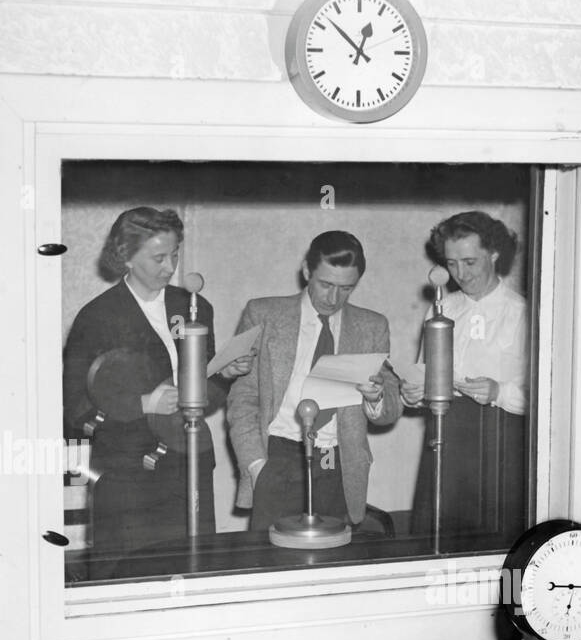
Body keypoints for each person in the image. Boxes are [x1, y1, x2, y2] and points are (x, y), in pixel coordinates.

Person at [62, 206, 251, 559]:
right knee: (130, 573)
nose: (170, 267)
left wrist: (224, 374)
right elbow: (73, 408)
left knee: (194, 564)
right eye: (158, 257)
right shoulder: (96, 318)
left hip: (190, 461)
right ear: (126, 257)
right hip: (127, 475)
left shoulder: (195, 307)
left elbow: (204, 393)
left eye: (175, 254)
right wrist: (143, 404)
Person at [227, 230, 401, 532]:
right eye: (326, 284)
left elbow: (389, 411)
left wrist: (375, 398)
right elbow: (243, 398)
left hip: (337, 465)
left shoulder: (372, 326)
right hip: (278, 456)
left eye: (347, 288)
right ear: (307, 271)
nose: (334, 298)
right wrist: (257, 466)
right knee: (270, 566)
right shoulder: (263, 314)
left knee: (332, 568)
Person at [400, 211, 528, 544]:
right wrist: (413, 393)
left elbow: (547, 398)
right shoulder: (441, 309)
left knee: (492, 543)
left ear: (495, 254)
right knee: (438, 538)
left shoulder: (523, 312)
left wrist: (499, 391)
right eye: (452, 263)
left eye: (470, 262)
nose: (460, 273)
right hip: (445, 433)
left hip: (499, 440)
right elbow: (424, 373)